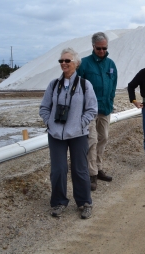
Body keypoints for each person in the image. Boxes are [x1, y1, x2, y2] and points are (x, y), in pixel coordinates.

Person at [39, 48, 97, 220]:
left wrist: (80, 123)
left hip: (78, 134)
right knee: (58, 169)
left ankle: (84, 202)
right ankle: (58, 202)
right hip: (56, 134)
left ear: (76, 64)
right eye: (61, 61)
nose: (63, 63)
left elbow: (92, 109)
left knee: (80, 170)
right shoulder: (53, 85)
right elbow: (44, 107)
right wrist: (49, 122)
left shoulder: (85, 85)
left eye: (67, 61)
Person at [77, 32, 117, 191]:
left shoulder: (111, 64)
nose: (102, 51)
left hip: (105, 108)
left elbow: (113, 86)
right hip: (89, 111)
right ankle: (91, 174)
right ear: (93, 47)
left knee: (104, 138)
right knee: (92, 140)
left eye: (104, 48)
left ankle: (98, 167)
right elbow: (77, 86)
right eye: (99, 48)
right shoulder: (84, 64)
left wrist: (111, 101)